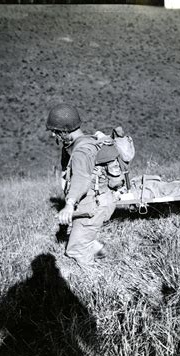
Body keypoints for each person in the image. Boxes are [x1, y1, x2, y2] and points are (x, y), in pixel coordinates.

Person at [46, 103, 121, 266]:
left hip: (96, 205)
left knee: (75, 249)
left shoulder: (80, 151)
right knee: (80, 235)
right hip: (100, 200)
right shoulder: (85, 140)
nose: (53, 135)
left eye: (56, 132)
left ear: (65, 130)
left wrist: (69, 205)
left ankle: (93, 281)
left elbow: (81, 178)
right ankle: (98, 248)